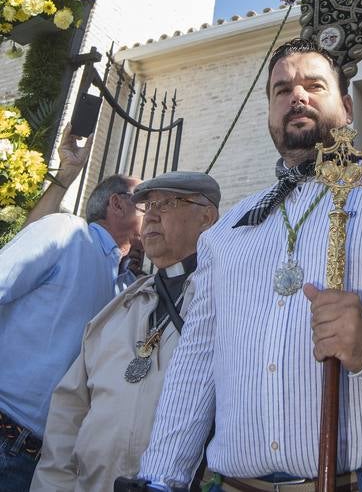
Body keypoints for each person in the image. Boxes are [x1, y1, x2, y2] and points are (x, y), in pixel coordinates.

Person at [137, 38, 362, 491]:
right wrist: (161, 479)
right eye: (281, 90)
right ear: (270, 116)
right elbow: (196, 366)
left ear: (347, 108)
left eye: (314, 85)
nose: (296, 96)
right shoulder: (226, 233)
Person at [31, 171, 220, 491]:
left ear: (206, 217)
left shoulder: (225, 301)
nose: (152, 216)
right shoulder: (119, 308)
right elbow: (69, 408)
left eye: (169, 203)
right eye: (149, 206)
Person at [0, 173, 141, 491]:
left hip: (40, 462)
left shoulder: (127, 287)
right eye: (146, 201)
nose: (157, 209)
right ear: (116, 204)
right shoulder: (67, 232)